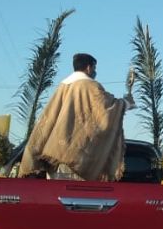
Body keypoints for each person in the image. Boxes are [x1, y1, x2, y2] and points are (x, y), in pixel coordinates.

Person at [19, 53, 136, 181]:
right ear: (89, 68)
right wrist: (126, 102)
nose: (95, 72)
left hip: (55, 157)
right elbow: (107, 110)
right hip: (77, 161)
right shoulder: (90, 86)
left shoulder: (63, 86)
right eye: (94, 68)